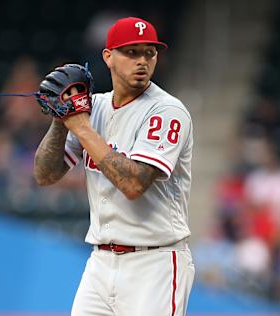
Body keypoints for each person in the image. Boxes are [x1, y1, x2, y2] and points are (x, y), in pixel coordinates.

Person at [33, 17, 195, 316]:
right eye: (131, 52)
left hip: (154, 263)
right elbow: (45, 175)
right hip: (101, 262)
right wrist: (60, 120)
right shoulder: (94, 109)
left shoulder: (167, 111)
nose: (142, 60)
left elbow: (134, 185)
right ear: (108, 57)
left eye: (149, 52)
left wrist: (80, 127)